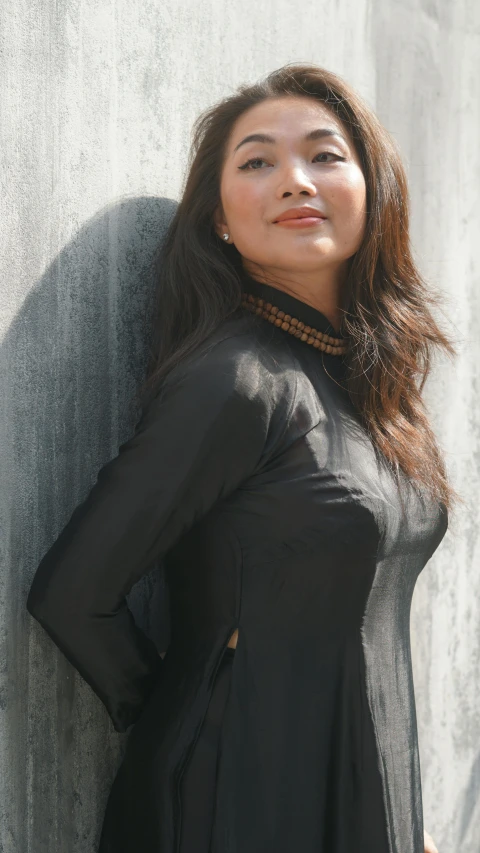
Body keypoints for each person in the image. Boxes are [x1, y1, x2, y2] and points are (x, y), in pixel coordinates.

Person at [26, 63, 457, 853]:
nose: (295, 180)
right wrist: (195, 707)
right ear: (220, 220)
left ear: (374, 186)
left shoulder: (369, 384)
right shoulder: (233, 382)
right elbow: (72, 591)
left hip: (361, 800)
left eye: (325, 155)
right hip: (239, 804)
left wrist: (401, 816)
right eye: (256, 162)